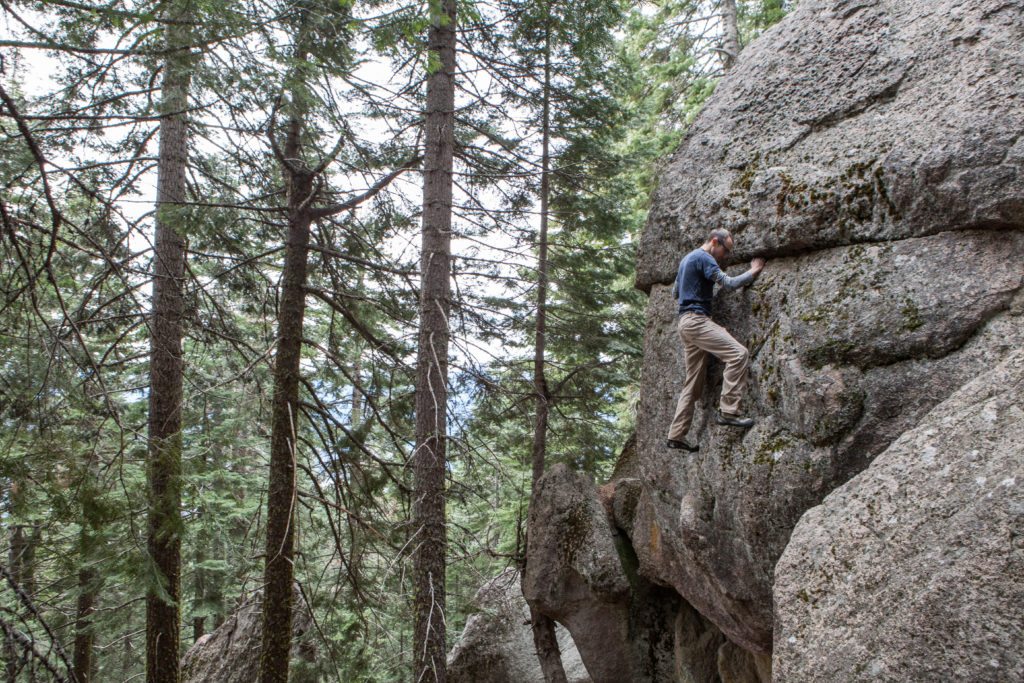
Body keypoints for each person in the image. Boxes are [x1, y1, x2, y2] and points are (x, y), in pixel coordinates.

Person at [666, 228, 765, 451]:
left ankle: (676, 435)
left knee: (692, 383)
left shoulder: (686, 260)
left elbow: (675, 293)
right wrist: (753, 270)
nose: (726, 256)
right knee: (739, 354)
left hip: (685, 323)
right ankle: (729, 411)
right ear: (714, 241)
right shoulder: (704, 257)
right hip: (697, 321)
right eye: (726, 250)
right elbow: (728, 283)